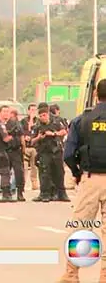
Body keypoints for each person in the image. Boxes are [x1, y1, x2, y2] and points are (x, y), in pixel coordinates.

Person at [60, 79, 106, 283]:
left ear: (96, 94)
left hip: (90, 179)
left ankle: (71, 275)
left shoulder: (81, 120)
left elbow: (69, 154)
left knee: (81, 227)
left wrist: (77, 173)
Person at [31, 106, 70, 202]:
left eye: (44, 115)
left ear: (48, 114)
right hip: (44, 152)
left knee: (59, 173)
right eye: (40, 116)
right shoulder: (37, 126)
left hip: (56, 151)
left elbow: (64, 131)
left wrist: (53, 134)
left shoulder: (56, 123)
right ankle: (45, 194)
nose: (42, 117)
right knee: (45, 173)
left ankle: (61, 194)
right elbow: (32, 141)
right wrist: (39, 137)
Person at [6, 108, 26, 201]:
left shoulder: (17, 124)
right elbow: (22, 138)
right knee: (10, 172)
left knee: (17, 172)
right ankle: (16, 193)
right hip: (11, 150)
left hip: (13, 150)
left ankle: (18, 192)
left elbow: (22, 137)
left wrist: (23, 149)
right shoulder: (17, 124)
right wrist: (23, 149)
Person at [21, 103, 39, 190]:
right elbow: (23, 131)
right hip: (25, 147)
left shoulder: (38, 121)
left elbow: (35, 130)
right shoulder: (23, 121)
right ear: (28, 111)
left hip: (34, 147)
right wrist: (25, 137)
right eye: (31, 110)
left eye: (35, 110)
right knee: (24, 166)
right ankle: (22, 183)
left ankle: (34, 183)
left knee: (34, 166)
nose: (33, 112)